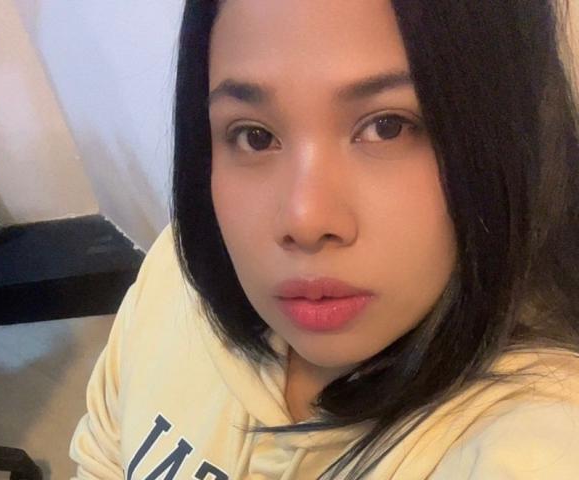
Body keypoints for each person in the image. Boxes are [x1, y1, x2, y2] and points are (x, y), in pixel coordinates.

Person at [69, 0, 579, 478]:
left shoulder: (535, 444)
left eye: (387, 127)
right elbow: (102, 453)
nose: (305, 220)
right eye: (254, 136)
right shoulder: (177, 272)